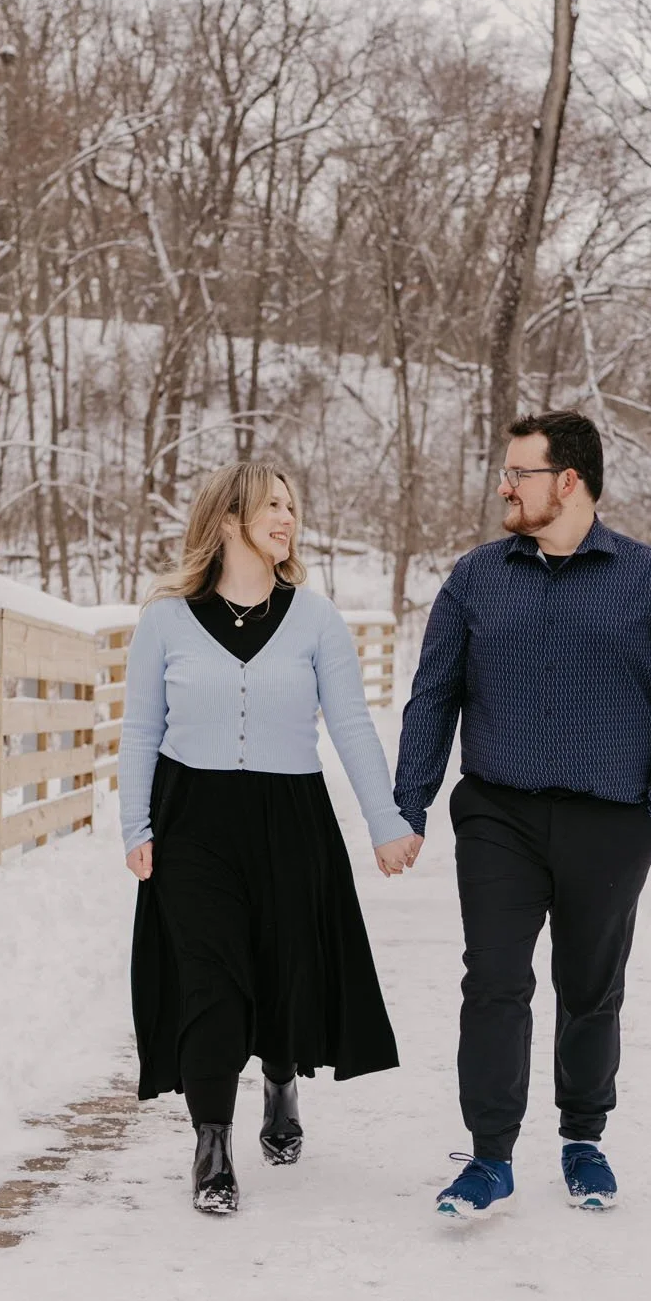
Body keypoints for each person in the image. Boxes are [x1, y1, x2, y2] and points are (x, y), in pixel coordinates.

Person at [393, 409, 651, 1218]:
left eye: (518, 473)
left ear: (567, 480)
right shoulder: (475, 577)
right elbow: (434, 695)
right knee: (494, 980)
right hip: (499, 812)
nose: (503, 485)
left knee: (589, 984)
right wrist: (410, 804)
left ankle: (583, 1138)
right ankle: (490, 1155)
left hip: (612, 822)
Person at [120, 461, 423, 1215]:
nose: (288, 518)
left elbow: (350, 725)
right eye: (272, 505)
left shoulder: (316, 618)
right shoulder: (165, 618)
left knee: (284, 966)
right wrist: (137, 825)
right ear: (228, 520)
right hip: (193, 816)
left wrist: (386, 823)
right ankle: (213, 1144)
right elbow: (139, 730)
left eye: (292, 505)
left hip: (291, 817)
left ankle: (282, 1079)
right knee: (210, 977)